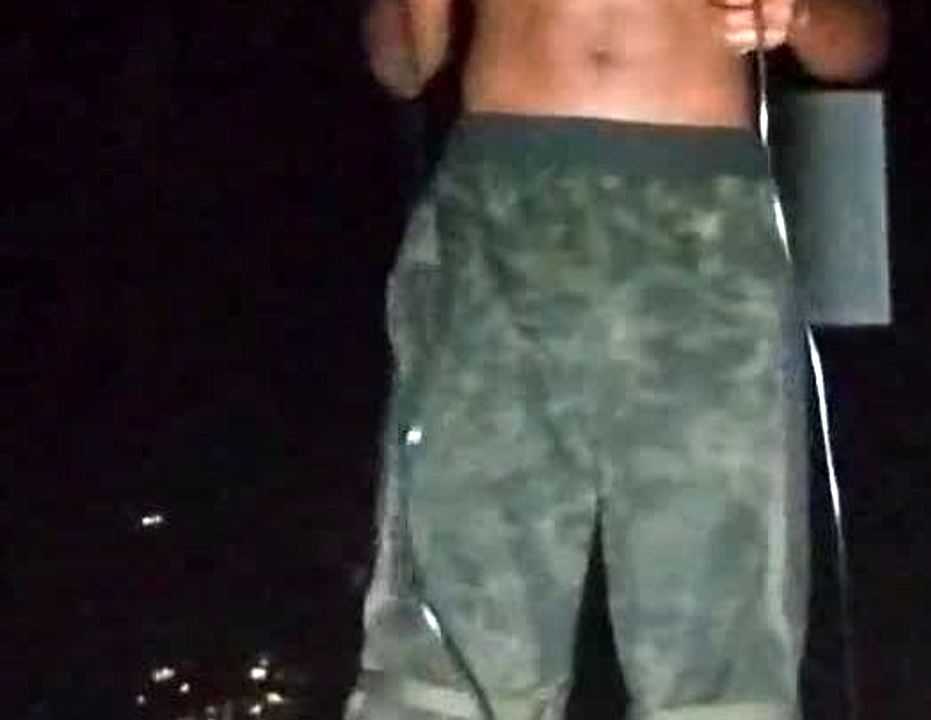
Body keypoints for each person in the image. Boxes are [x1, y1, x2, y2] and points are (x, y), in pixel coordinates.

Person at [346, 0, 888, 718]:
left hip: (705, 229)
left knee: (718, 634)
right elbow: (401, 66)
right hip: (502, 216)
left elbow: (860, 44)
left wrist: (801, 17)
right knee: (452, 628)